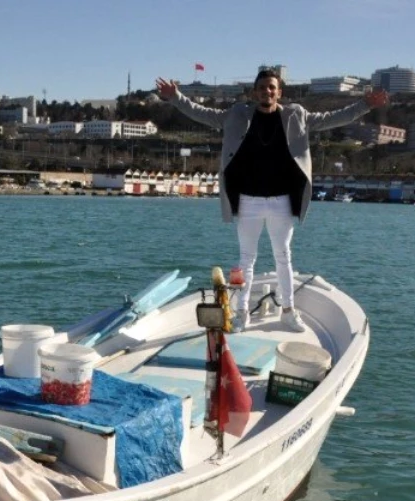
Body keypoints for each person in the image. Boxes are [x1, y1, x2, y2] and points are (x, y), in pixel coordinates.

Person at [156, 70, 388, 331]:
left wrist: (366, 104)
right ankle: (241, 312)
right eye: (263, 87)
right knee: (246, 259)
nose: (267, 91)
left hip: (282, 201)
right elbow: (201, 113)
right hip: (247, 201)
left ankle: (288, 311)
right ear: (255, 92)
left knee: (283, 256)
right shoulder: (236, 115)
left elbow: (334, 118)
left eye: (272, 87)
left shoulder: (296, 116)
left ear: (280, 92)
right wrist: (175, 97)